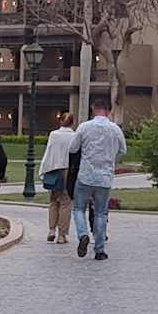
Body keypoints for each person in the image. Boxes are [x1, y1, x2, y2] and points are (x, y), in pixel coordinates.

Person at [73, 101, 125, 261]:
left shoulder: (84, 127)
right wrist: (112, 160)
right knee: (101, 213)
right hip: (105, 177)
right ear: (109, 111)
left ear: (93, 110)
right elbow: (123, 150)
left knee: (79, 209)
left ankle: (83, 234)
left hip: (86, 175)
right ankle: (99, 249)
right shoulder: (115, 129)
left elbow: (73, 148)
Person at [38, 113, 79, 243]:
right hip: (68, 171)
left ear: (60, 121)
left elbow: (48, 153)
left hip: (54, 170)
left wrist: (43, 170)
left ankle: (51, 230)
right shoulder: (75, 136)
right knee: (66, 202)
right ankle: (62, 235)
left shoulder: (53, 135)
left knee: (53, 200)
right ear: (72, 123)